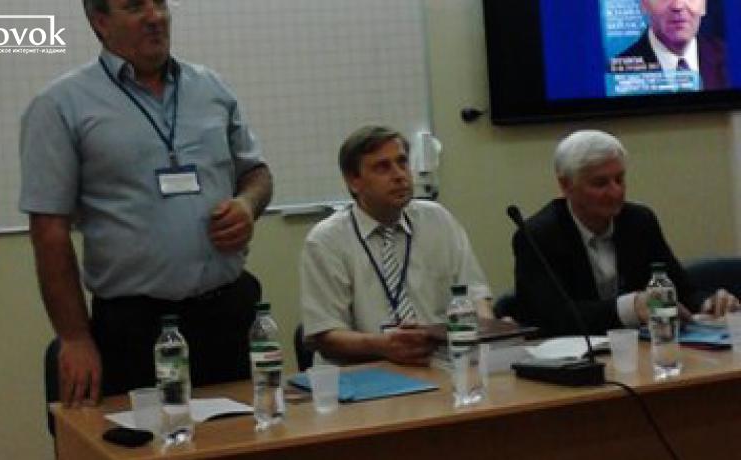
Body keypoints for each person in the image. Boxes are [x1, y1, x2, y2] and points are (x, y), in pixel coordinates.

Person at [20, 0, 273, 408]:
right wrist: (75, 337)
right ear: (100, 21)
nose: (155, 17)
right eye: (135, 6)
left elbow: (256, 173)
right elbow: (49, 231)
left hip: (227, 312)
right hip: (134, 327)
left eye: (160, 3)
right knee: (148, 438)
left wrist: (247, 204)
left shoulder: (211, 88)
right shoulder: (61, 105)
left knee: (242, 436)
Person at [511, 129, 738, 337]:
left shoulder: (639, 221)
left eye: (619, 179)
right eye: (600, 183)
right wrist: (632, 307)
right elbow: (553, 317)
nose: (616, 191)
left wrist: (708, 303)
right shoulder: (538, 236)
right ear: (565, 185)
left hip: (643, 351)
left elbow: (680, 291)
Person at [299, 125, 492, 366]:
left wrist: (489, 333)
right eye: (383, 167)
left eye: (402, 162)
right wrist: (383, 345)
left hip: (442, 363)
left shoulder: (437, 220)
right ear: (354, 181)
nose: (399, 175)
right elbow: (324, 334)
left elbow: (476, 295)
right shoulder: (326, 241)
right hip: (366, 371)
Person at [611, 0, 726, 90]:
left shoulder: (731, 59)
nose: (678, 6)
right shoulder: (616, 73)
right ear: (644, 4)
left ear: (704, 5)